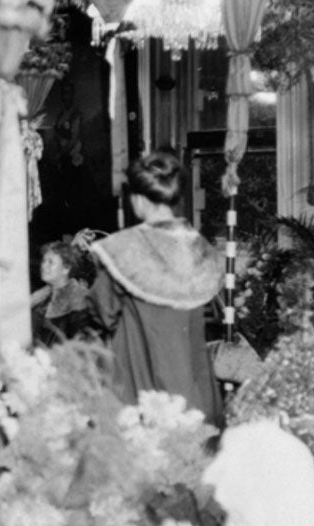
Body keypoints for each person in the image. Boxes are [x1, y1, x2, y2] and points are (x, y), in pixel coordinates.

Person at [88, 151, 224, 424]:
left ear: (138, 199)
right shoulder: (201, 249)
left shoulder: (124, 249)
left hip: (138, 377)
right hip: (191, 380)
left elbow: (101, 312)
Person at [29, 239, 100, 344]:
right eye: (44, 261)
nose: (44, 266)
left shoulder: (78, 300)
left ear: (66, 269)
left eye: (50, 262)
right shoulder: (42, 299)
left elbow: (81, 345)